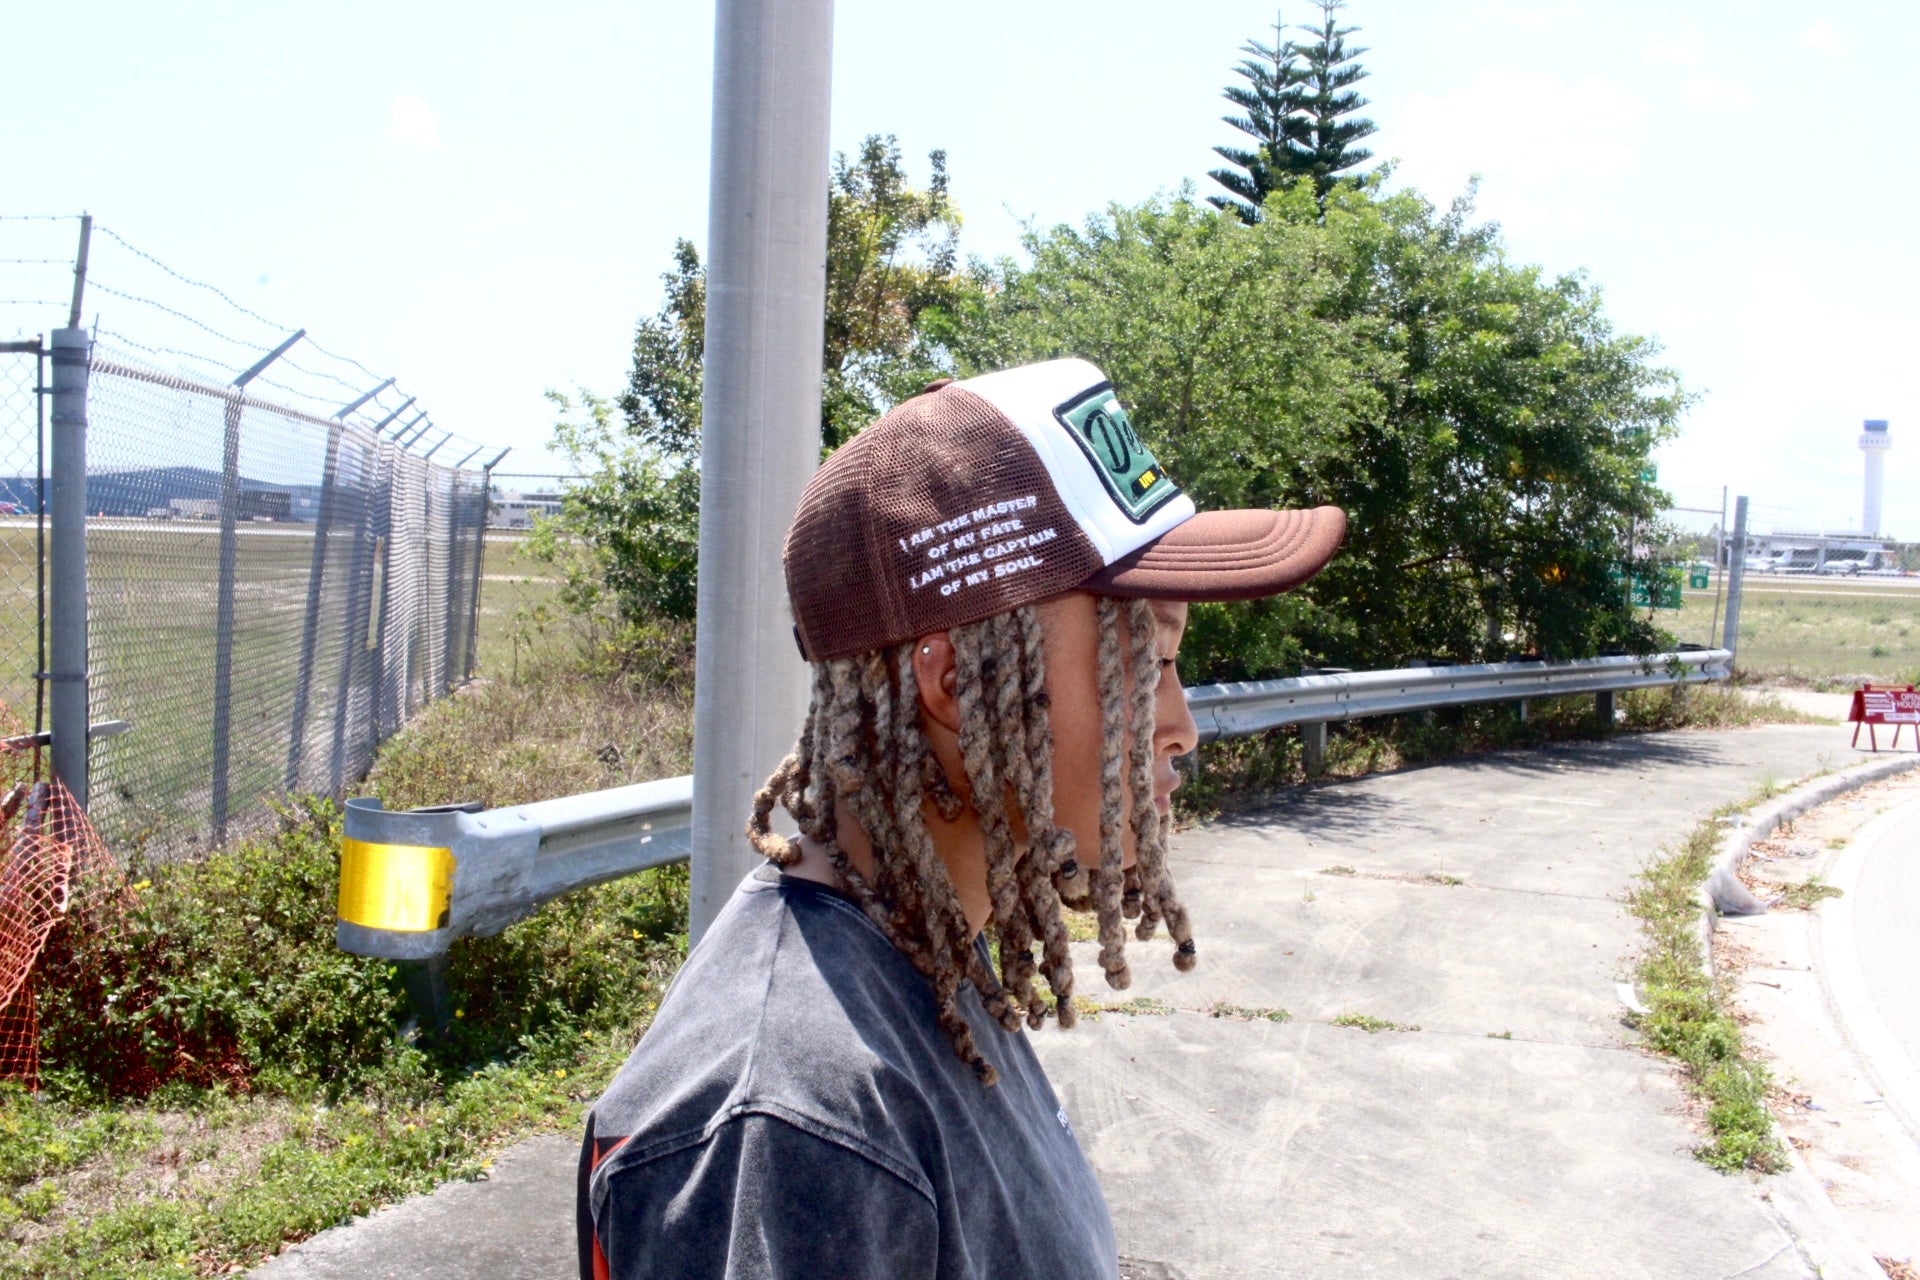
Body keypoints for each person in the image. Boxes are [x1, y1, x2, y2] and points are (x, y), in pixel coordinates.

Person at [578, 358, 1345, 1280]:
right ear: (954, 684)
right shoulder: (792, 1124)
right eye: (1142, 662)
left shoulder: (925, 964)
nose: (1180, 726)